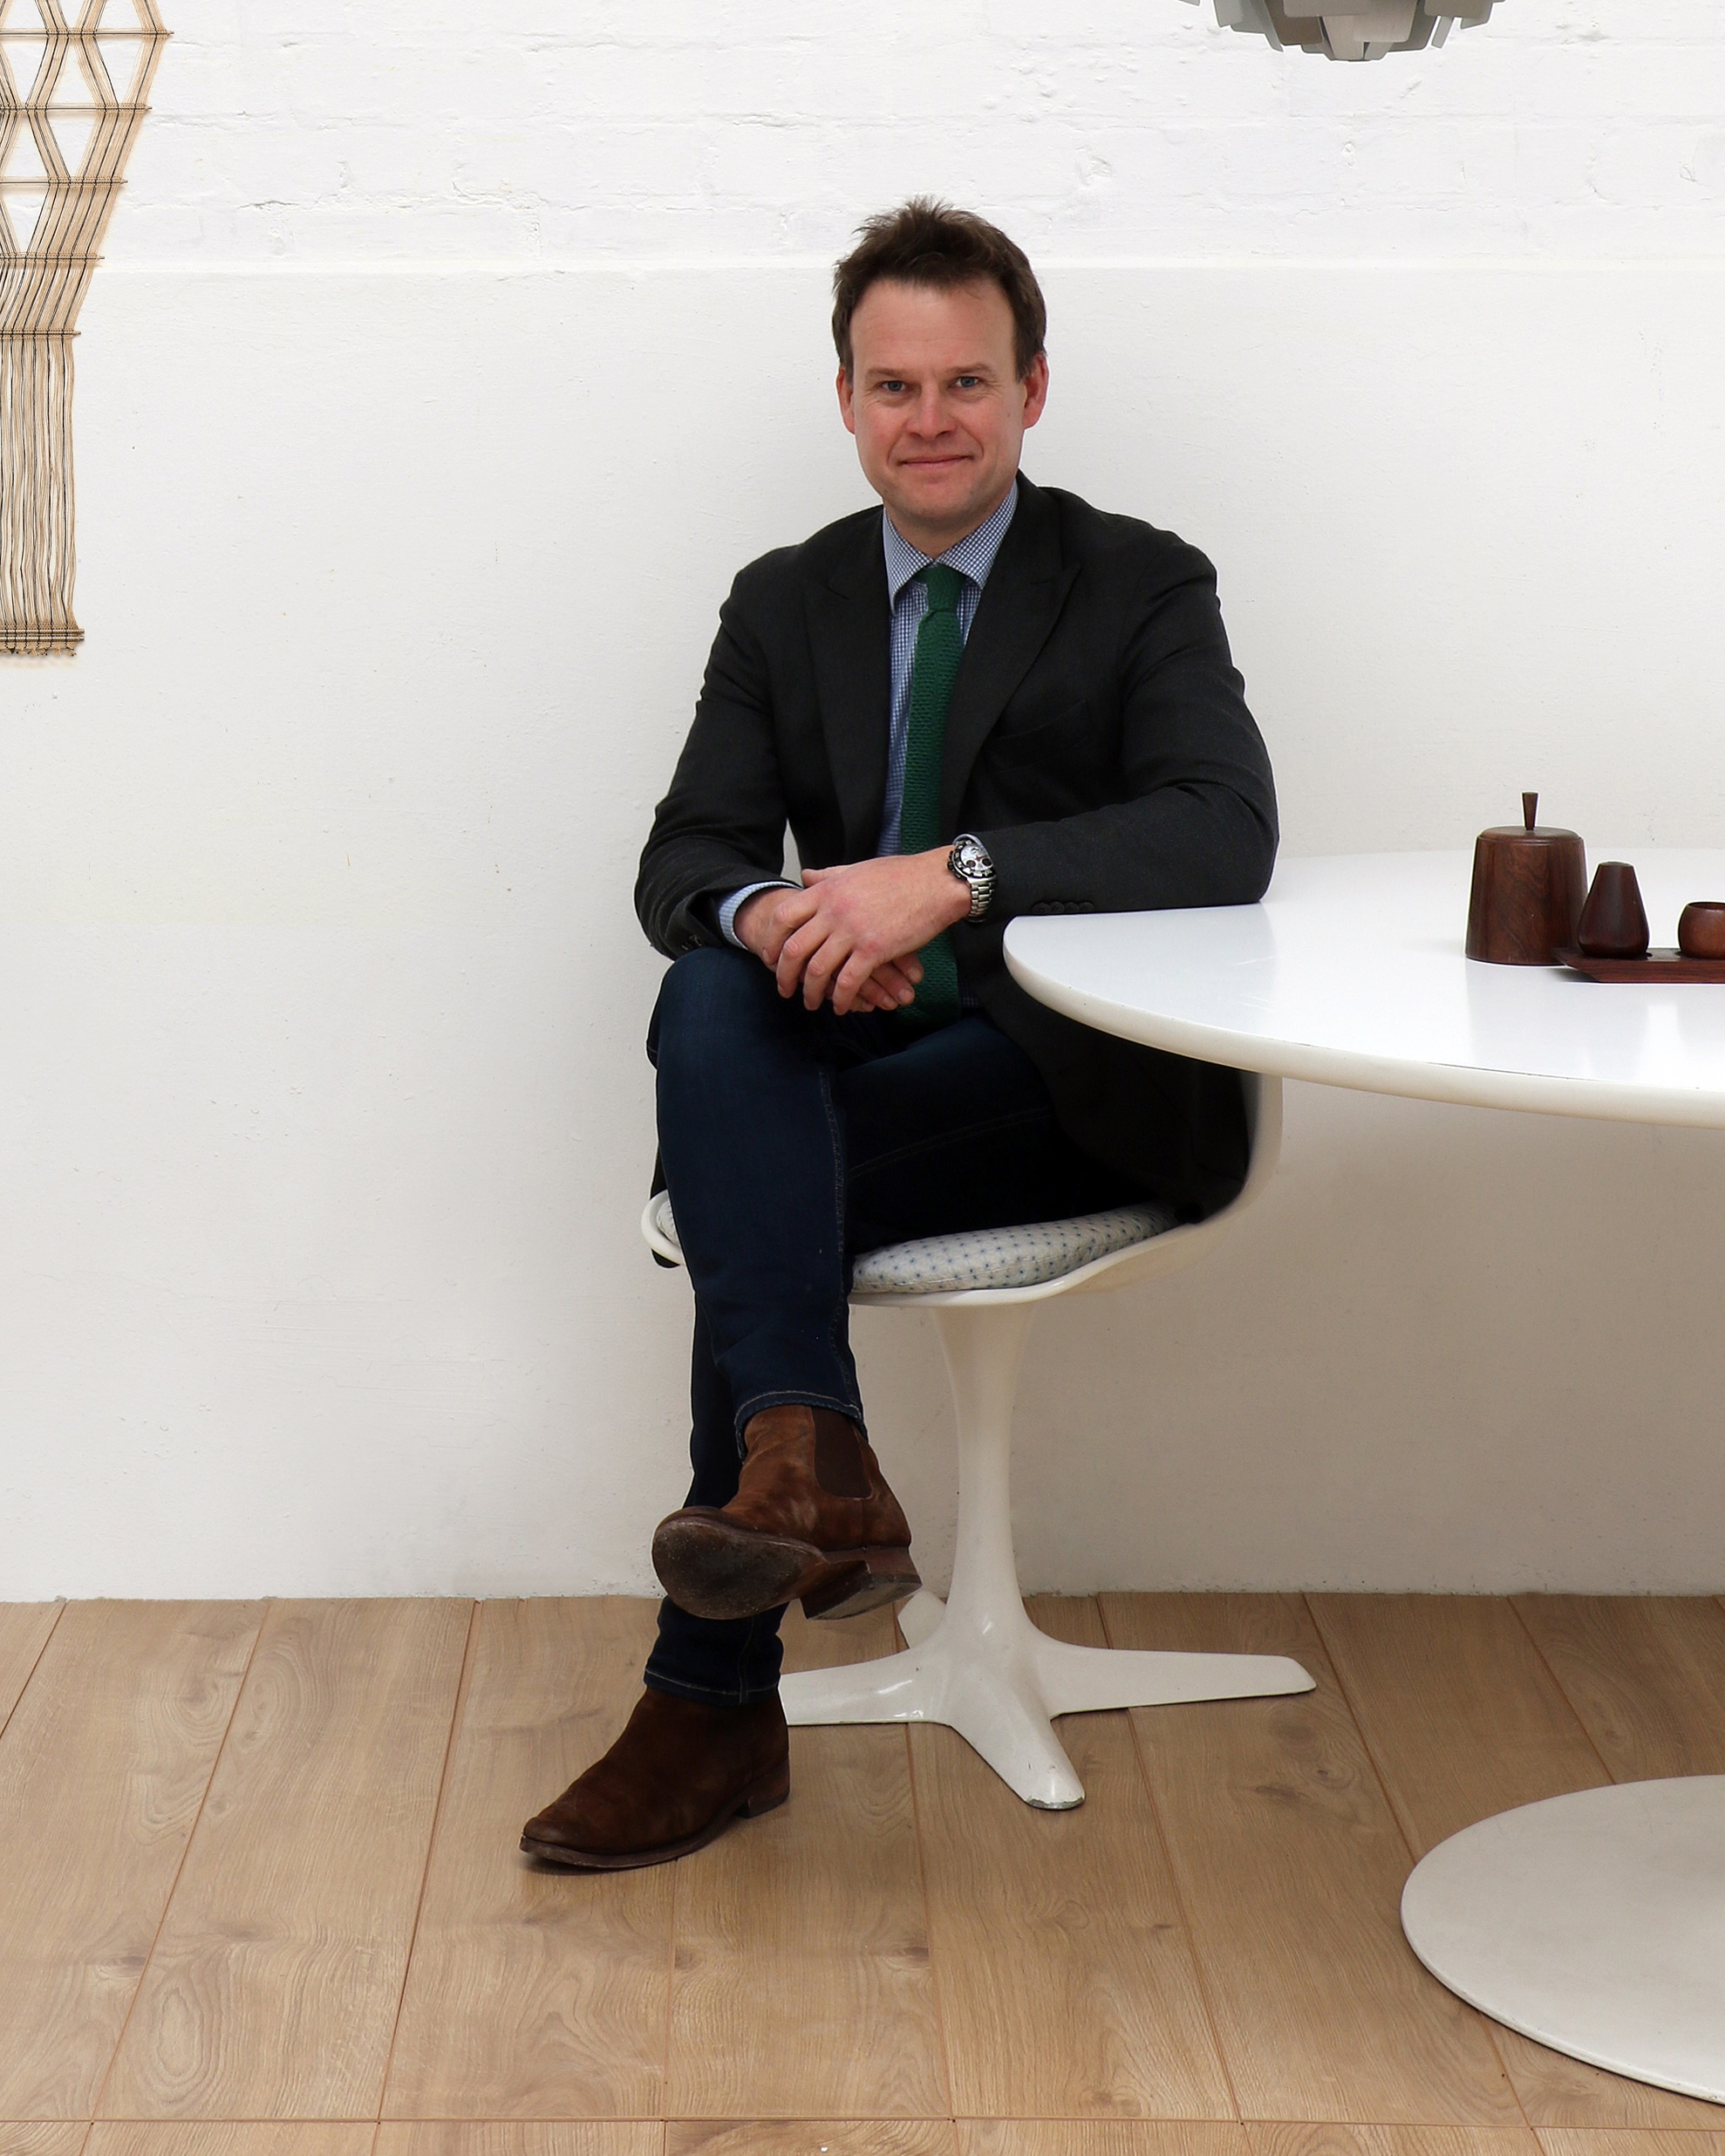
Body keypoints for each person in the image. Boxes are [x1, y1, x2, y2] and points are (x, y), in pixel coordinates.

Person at [520, 198, 1278, 1872]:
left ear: (1032, 391)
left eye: (967, 383)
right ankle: (815, 1470)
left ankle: (710, 1702)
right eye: (894, 386)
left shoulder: (1140, 580)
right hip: (857, 1046)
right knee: (709, 987)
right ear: (848, 400)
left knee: (749, 1193)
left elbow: (1223, 828)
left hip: (1075, 1076)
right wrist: (784, 922)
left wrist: (943, 882)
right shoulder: (783, 601)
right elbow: (687, 858)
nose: (930, 420)